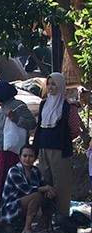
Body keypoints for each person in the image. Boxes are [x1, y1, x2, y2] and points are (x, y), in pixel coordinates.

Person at [33, 72, 82, 217]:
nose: (50, 87)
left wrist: (63, 140)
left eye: (53, 84)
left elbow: (74, 130)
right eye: (48, 84)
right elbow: (39, 128)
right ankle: (46, 218)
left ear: (60, 86)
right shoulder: (44, 104)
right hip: (43, 148)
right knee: (44, 182)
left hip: (60, 150)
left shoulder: (68, 106)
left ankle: (62, 218)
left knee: (61, 185)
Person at [0, 81, 37, 212]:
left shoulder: (18, 106)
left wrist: (14, 117)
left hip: (12, 152)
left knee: (9, 180)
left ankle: (10, 208)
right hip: (0, 149)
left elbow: (31, 123)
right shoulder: (0, 107)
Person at [0, 144, 56, 233]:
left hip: (26, 205)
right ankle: (27, 229)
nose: (27, 159)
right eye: (25, 156)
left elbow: (43, 186)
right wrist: (46, 188)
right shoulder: (14, 171)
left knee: (48, 197)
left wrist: (49, 192)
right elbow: (27, 190)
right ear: (20, 157)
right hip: (11, 208)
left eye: (31, 156)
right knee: (36, 196)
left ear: (35, 158)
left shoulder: (35, 171)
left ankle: (41, 226)